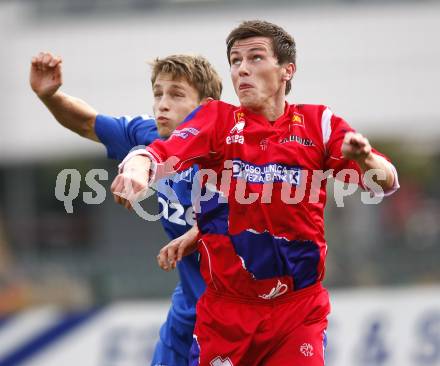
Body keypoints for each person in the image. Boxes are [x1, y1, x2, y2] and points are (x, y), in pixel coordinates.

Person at [111, 20, 400, 365]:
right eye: (235, 61)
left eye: (255, 58)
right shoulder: (216, 121)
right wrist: (138, 166)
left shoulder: (318, 124)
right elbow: (163, 152)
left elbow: (386, 181)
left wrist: (366, 158)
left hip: (297, 311)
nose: (242, 70)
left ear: (286, 71)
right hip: (227, 315)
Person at [29, 52, 222, 366]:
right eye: (158, 93)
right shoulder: (148, 135)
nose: (162, 103)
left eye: (176, 94)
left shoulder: (233, 150)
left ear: (206, 107)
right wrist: (49, 96)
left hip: (234, 311)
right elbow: (86, 122)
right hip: (188, 307)